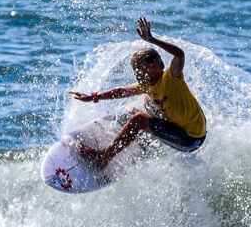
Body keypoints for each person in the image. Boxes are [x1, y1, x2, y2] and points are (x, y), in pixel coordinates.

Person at [70, 17, 206, 169]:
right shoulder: (148, 85)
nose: (136, 73)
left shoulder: (171, 77)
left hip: (190, 139)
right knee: (147, 102)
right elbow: (120, 91)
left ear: (154, 65)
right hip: (187, 127)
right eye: (134, 69)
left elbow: (179, 54)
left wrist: (153, 40)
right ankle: (142, 138)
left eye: (139, 68)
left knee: (139, 119)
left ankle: (104, 158)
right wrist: (93, 97)